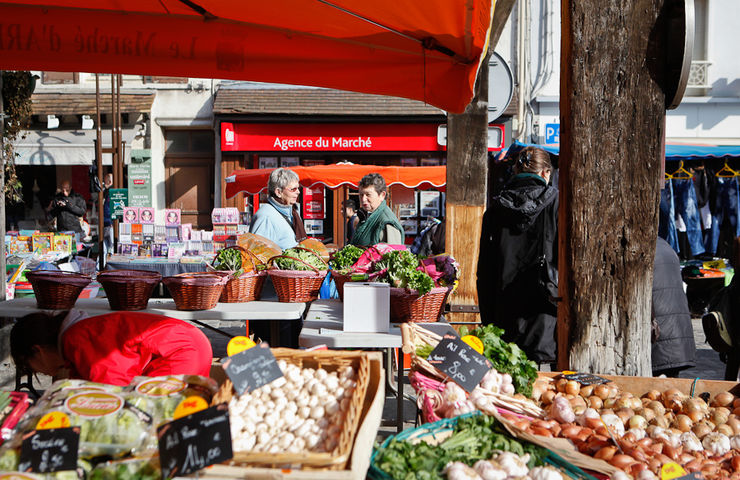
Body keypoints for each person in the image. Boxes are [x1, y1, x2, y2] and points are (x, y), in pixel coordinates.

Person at [477, 146, 558, 364]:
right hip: (545, 319)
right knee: (545, 393)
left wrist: (489, 323)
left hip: (503, 316)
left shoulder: (495, 210)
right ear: (545, 173)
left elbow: (484, 274)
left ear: (515, 171)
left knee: (505, 391)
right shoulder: (557, 205)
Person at [10, 310, 213, 386]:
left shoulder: (77, 339)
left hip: (180, 351)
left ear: (38, 350)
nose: (40, 373)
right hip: (188, 343)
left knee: (155, 414)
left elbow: (113, 385)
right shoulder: (76, 337)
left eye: (33, 367)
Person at [651, 237, 697, 377]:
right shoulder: (664, 245)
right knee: (670, 390)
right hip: (677, 334)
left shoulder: (638, 247)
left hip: (659, 337)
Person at [249, 168, 307, 250]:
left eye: (298, 188)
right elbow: (257, 254)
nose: (298, 192)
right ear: (278, 192)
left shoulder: (293, 212)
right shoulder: (266, 217)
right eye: (293, 189)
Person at [350, 173, 404, 246]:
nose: (363, 199)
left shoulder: (387, 222)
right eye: (361, 194)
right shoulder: (366, 215)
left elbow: (394, 254)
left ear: (382, 195)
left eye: (368, 195)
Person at [102, 173, 113, 261]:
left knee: (110, 248)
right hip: (106, 223)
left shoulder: (111, 193)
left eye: (104, 181)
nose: (103, 183)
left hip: (109, 223)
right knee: (106, 248)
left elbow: (108, 209)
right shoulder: (106, 192)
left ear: (109, 181)